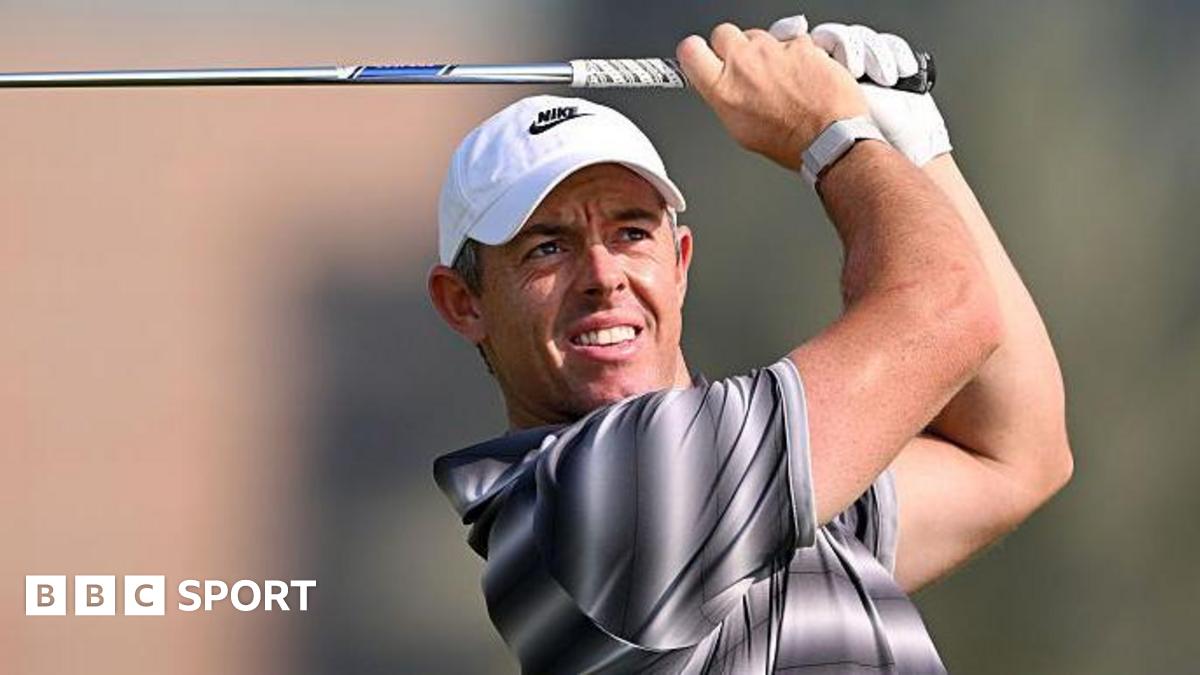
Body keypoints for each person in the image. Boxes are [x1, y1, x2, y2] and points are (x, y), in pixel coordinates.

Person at [428, 15, 1072, 674]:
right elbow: (950, 307)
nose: (603, 275)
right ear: (463, 302)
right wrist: (831, 134)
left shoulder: (736, 489)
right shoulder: (597, 501)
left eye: (632, 233)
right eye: (547, 247)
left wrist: (914, 145)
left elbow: (1015, 455)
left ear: (680, 263)